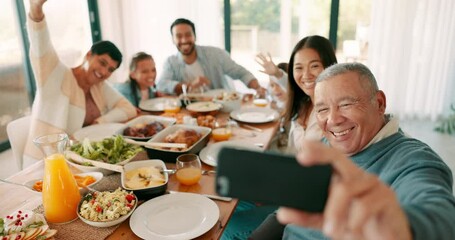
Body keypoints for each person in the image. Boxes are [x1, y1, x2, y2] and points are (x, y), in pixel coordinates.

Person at [276, 62, 455, 239]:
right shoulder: (326, 146)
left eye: (346, 104)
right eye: (322, 109)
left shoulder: (415, 160)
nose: (333, 120)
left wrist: (403, 229)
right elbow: (291, 211)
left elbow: (442, 215)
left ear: (379, 103)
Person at [24, 0, 137, 163]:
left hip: (79, 160)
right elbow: (41, 46)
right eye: (102, 63)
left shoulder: (98, 86)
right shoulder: (56, 75)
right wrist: (36, 9)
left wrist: (99, 121)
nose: (104, 72)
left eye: (111, 70)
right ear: (89, 55)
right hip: (46, 162)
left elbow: (128, 109)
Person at [156, 18, 266, 96]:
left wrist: (258, 88)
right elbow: (161, 84)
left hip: (221, 106)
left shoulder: (216, 54)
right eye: (179, 36)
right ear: (173, 40)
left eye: (188, 35)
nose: (184, 40)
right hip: (189, 110)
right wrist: (189, 85)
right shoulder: (171, 62)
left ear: (195, 36)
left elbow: (240, 72)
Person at [284, 35, 338, 153]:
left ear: (330, 66)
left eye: (314, 66)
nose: (306, 75)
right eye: (299, 68)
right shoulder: (302, 103)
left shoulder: (336, 113)